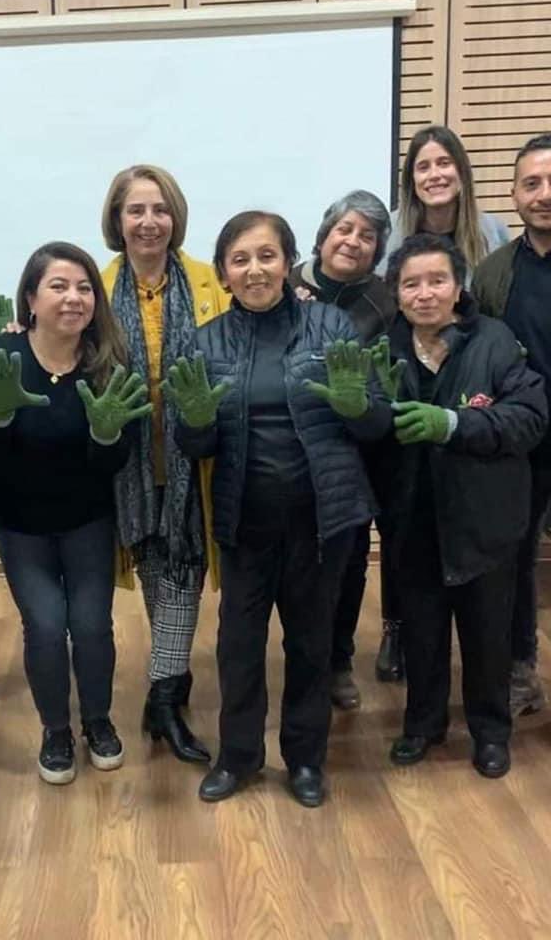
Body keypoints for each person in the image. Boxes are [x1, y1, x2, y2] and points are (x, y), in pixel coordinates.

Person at [169, 210, 389, 807]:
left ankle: (305, 760)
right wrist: (192, 423)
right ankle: (239, 758)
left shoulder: (330, 325)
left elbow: (374, 423)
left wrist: (354, 405)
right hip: (245, 521)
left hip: (324, 520)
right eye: (239, 259)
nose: (254, 269)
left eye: (266, 255)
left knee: (311, 644)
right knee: (238, 645)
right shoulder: (203, 342)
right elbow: (194, 445)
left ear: (288, 262)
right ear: (223, 273)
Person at [0, 242, 149, 784]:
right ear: (31, 297)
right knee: (46, 628)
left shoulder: (106, 364)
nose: (73, 298)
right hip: (21, 525)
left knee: (91, 626)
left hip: (88, 519)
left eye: (84, 287)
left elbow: (115, 459)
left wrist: (105, 434)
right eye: (59, 286)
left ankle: (97, 720)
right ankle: (56, 730)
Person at [381, 234, 546, 777]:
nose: (424, 294)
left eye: (436, 281)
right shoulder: (383, 347)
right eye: (411, 283)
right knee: (423, 631)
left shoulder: (495, 342)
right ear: (397, 292)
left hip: (485, 518)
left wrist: (455, 424)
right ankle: (422, 726)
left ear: (458, 288)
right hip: (413, 518)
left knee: (487, 634)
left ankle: (491, 731)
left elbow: (528, 418)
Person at [473, 132, 551, 755]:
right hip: (514, 455)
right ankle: (520, 669)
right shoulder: (495, 270)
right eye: (532, 183)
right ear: (515, 193)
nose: (545, 194)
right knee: (509, 571)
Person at [100, 165, 230, 764]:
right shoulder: (95, 287)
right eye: (136, 210)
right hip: (126, 468)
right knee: (158, 571)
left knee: (180, 567)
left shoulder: (211, 282)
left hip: (194, 464)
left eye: (160, 209)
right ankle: (168, 688)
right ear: (117, 220)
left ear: (175, 216)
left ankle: (166, 697)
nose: (149, 222)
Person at [288, 189, 399, 699]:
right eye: (345, 229)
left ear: (377, 250)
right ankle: (300, 657)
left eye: (367, 236)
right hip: (291, 447)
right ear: (325, 233)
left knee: (350, 559)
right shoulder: (287, 282)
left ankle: (337, 660)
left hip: (357, 452)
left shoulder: (386, 298)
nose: (353, 241)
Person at [380, 125, 511, 282]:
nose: (434, 175)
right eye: (423, 167)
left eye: (444, 163)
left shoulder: (495, 232)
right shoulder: (387, 232)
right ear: (412, 179)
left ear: (461, 172)